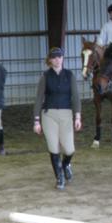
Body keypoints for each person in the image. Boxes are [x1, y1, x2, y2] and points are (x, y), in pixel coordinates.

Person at [33, 47, 82, 190]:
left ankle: (66, 164)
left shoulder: (69, 75)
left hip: (66, 114)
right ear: (50, 60)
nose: (57, 60)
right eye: (54, 57)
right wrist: (36, 120)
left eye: (59, 57)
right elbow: (39, 99)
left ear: (63, 58)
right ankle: (59, 177)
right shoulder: (45, 76)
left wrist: (77, 116)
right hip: (49, 115)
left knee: (69, 149)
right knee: (53, 147)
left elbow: (76, 97)